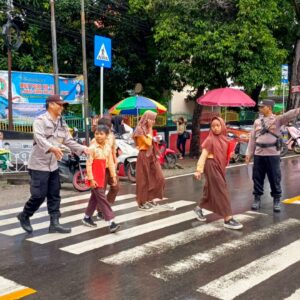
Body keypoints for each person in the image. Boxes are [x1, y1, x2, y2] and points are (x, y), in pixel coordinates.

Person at [17, 94, 88, 234]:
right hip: (38, 164)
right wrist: (52, 148)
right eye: (60, 104)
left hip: (53, 165)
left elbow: (69, 140)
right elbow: (39, 138)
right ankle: (24, 215)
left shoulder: (62, 122)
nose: (62, 107)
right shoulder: (40, 120)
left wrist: (84, 149)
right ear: (51, 104)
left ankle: (54, 223)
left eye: (63, 105)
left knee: (54, 194)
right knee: (38, 195)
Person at [245, 99, 300, 212]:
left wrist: (297, 110)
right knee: (257, 178)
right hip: (259, 154)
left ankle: (276, 200)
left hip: (273, 154)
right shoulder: (257, 122)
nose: (260, 109)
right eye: (260, 107)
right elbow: (252, 139)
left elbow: (287, 115)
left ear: (269, 108)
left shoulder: (277, 120)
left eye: (262, 107)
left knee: (274, 177)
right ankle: (257, 199)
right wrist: (248, 154)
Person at [194, 117, 243, 230]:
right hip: (211, 166)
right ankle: (228, 218)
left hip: (219, 167)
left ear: (222, 126)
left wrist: (230, 156)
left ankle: (199, 208)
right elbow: (203, 155)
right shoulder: (210, 140)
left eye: (218, 125)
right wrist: (198, 170)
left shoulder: (225, 139)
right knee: (221, 190)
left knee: (210, 189)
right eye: (213, 126)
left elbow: (225, 155)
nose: (215, 128)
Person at [82, 125, 120, 233]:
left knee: (94, 198)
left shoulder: (107, 148)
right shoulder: (92, 148)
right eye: (96, 134)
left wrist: (113, 176)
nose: (98, 136)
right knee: (102, 199)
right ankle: (111, 222)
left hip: (102, 175)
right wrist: (91, 179)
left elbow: (111, 164)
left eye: (101, 134)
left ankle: (86, 217)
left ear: (107, 135)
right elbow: (88, 165)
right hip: (94, 177)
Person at [133, 110, 166, 211]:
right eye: (151, 119)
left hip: (152, 155)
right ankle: (141, 202)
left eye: (154, 120)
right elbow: (147, 143)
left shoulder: (148, 129)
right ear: (146, 119)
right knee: (143, 180)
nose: (153, 122)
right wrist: (151, 129)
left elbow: (151, 141)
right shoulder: (139, 129)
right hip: (143, 155)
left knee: (159, 177)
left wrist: (155, 138)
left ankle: (149, 198)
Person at [92, 117, 120, 219]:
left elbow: (113, 149)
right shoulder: (97, 138)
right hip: (101, 167)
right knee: (101, 191)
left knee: (115, 187)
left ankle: (105, 207)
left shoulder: (111, 136)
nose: (110, 129)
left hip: (111, 166)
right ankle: (101, 211)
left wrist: (115, 160)